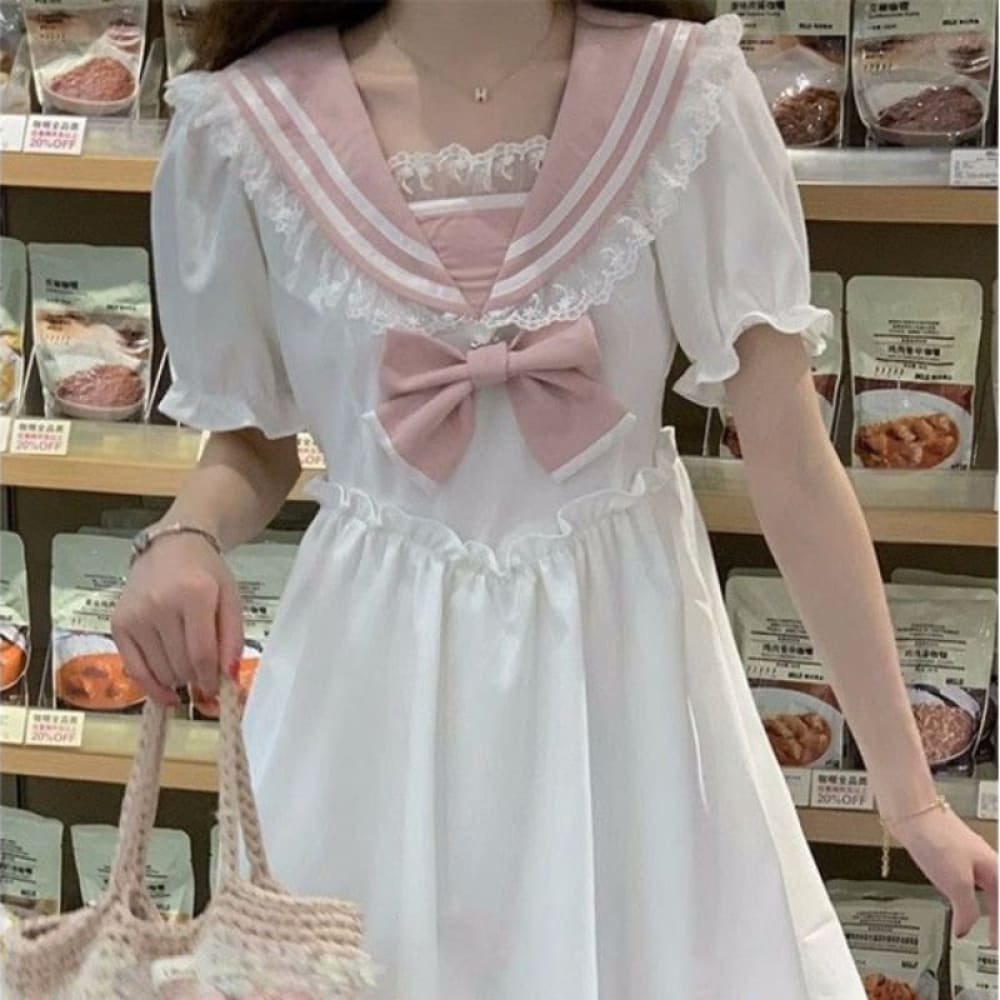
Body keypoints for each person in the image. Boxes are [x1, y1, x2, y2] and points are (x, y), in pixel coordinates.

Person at [114, 0, 998, 996]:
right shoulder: (246, 125)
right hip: (368, 684)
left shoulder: (682, 95)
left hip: (623, 683)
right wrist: (186, 532)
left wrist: (910, 795)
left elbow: (790, 458)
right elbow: (249, 442)